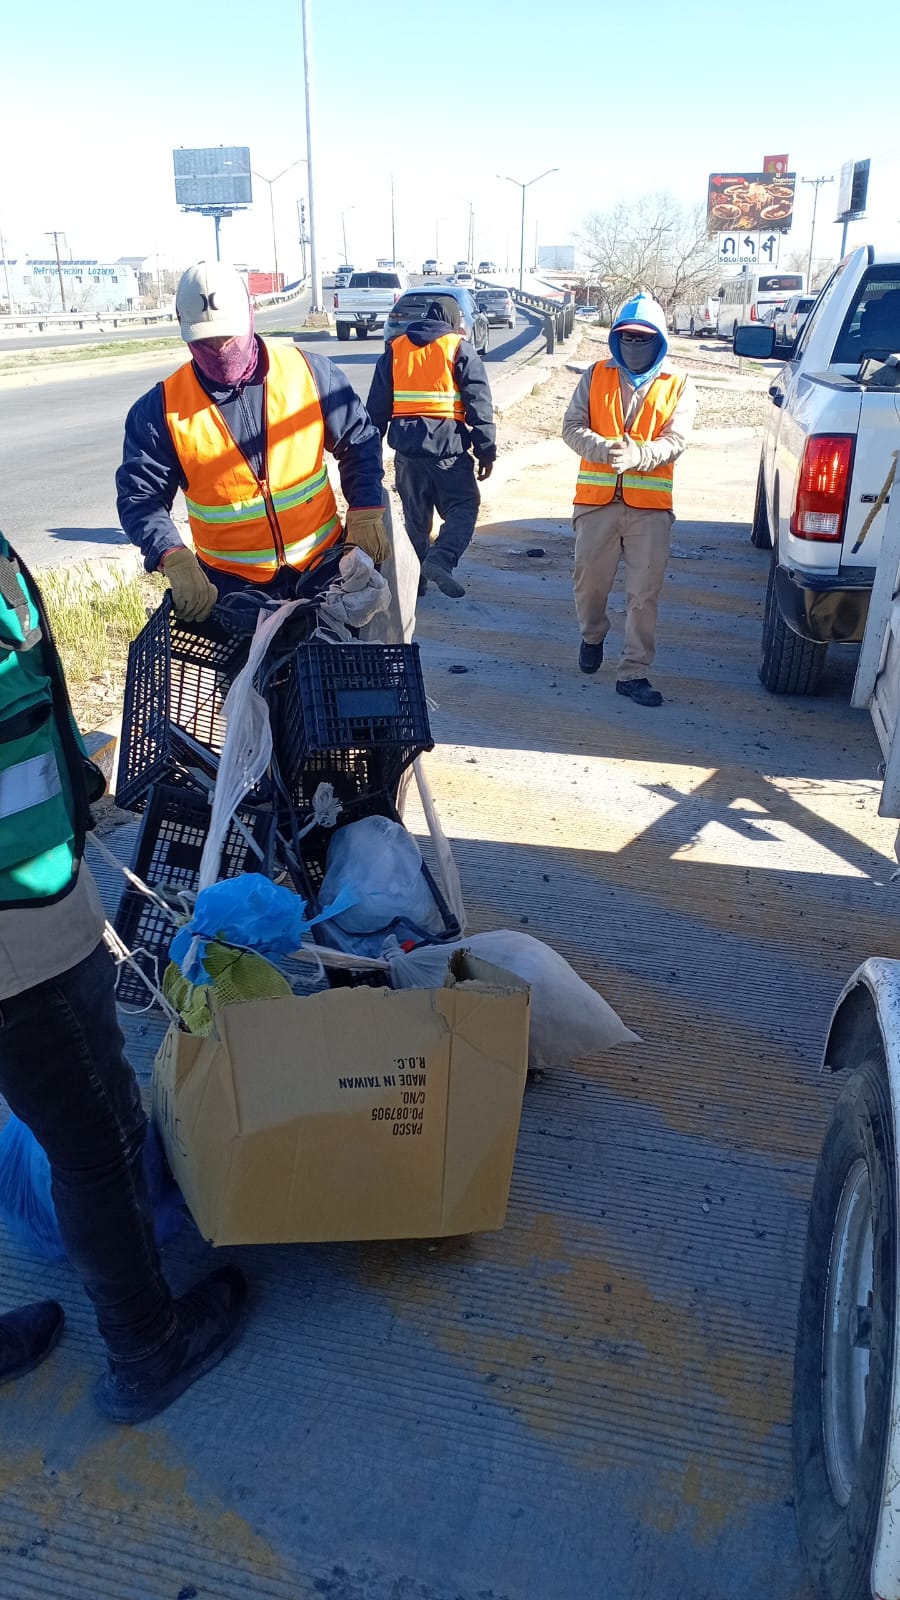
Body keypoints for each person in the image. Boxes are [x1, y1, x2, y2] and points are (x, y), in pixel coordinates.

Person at [0, 536, 246, 1421]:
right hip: (17, 924)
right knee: (96, 1140)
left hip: (30, 886)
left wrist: (73, 777)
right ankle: (148, 1349)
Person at [116, 261, 388, 620]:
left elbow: (359, 442)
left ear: (250, 313)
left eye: (228, 338)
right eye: (205, 342)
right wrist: (172, 555)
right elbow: (141, 498)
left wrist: (365, 508)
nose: (219, 349)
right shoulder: (159, 411)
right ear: (183, 327)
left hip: (323, 572)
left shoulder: (310, 374)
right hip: (232, 592)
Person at [562, 292, 695, 707]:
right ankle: (592, 635)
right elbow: (571, 427)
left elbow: (677, 438)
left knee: (643, 594)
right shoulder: (595, 374)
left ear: (659, 340)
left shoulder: (678, 383)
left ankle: (633, 672)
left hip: (650, 511)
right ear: (616, 337)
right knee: (589, 584)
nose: (634, 345)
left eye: (643, 338)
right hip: (596, 504)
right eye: (627, 337)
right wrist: (603, 448)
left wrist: (641, 455)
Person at [366, 297, 496, 599]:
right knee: (463, 506)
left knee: (416, 521)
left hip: (407, 454)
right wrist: (486, 450)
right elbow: (479, 403)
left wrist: (370, 454)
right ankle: (441, 559)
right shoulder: (458, 347)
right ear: (453, 320)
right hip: (448, 452)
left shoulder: (396, 349)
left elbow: (376, 408)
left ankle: (415, 584)